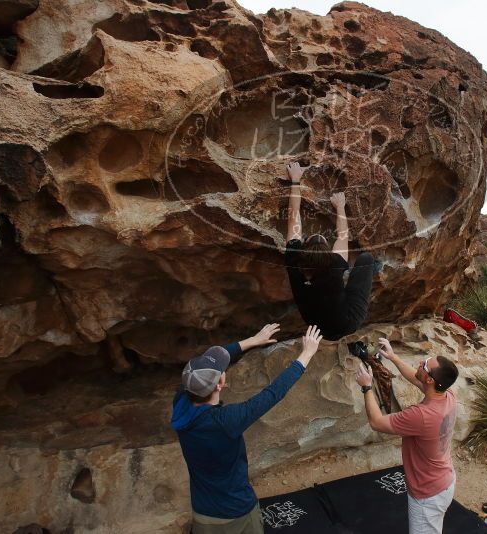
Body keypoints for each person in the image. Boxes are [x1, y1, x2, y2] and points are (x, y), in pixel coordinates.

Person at [171, 324, 324, 534]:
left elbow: (216, 356)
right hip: (236, 511)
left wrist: (253, 340)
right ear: (220, 384)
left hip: (203, 513)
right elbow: (272, 394)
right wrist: (307, 353)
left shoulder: (181, 401)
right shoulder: (225, 421)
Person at [355, 337, 460, 534]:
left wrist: (366, 387)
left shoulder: (421, 416)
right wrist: (393, 357)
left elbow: (377, 422)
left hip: (427, 494)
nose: (420, 363)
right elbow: (416, 377)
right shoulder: (448, 395)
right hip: (444, 480)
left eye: (425, 365)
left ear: (430, 380)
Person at [283, 161, 374, 341]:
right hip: (347, 323)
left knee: (336, 292)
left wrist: (295, 180)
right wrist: (340, 206)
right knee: (366, 259)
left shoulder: (294, 260)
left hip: (317, 328)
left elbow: (294, 215)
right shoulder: (334, 264)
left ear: (303, 245)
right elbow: (342, 236)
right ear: (328, 253)